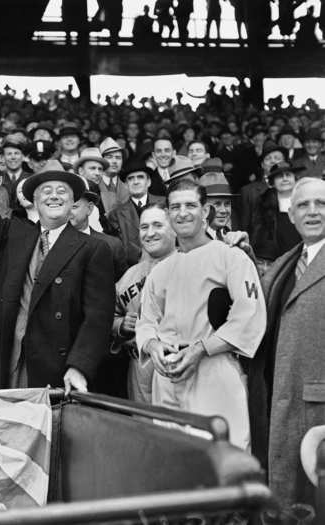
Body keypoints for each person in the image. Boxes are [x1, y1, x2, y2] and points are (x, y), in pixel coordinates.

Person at [0, 124, 115, 394]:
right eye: (45, 191)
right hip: (8, 360)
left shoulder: (93, 249)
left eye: (62, 191)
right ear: (35, 202)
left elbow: (98, 317)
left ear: (74, 201)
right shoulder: (14, 235)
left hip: (58, 369)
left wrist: (79, 366)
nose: (53, 196)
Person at [136, 179, 266, 449]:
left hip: (213, 365)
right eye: (175, 207)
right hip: (168, 371)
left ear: (205, 211)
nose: (182, 213)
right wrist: (153, 345)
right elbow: (146, 320)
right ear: (169, 214)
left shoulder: (231, 257)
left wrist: (201, 350)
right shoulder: (161, 269)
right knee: (174, 459)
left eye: (190, 205)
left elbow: (249, 314)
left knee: (223, 457)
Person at [249, 177, 325, 512]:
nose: (312, 212)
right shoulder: (283, 264)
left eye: (321, 204)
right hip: (281, 400)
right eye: (303, 205)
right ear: (290, 215)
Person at [114, 202, 176, 403]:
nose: (150, 233)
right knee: (143, 430)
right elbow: (109, 315)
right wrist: (121, 325)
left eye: (158, 225)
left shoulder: (193, 263)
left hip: (180, 365)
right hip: (140, 369)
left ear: (174, 228)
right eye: (144, 227)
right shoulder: (130, 276)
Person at [108, 159, 165, 266]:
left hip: (166, 262)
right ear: (125, 185)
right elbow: (120, 249)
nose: (136, 181)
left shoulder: (165, 204)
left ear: (148, 182)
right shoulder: (115, 214)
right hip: (133, 268)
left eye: (140, 177)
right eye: (131, 178)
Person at [251, 161, 304, 273]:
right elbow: (258, 235)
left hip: (301, 258)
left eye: (288, 175)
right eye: (280, 176)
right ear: (273, 182)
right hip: (273, 262)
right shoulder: (263, 204)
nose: (285, 179)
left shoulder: (305, 202)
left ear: (295, 179)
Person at [69, 188, 128, 281]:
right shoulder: (49, 242)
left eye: (74, 207)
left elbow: (123, 284)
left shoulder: (111, 245)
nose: (67, 212)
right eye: (62, 206)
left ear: (90, 208)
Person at [199, 171, 237, 240]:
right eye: (217, 204)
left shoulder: (233, 238)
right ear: (202, 207)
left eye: (227, 204)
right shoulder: (195, 241)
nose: (223, 210)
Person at [99, 138, 131, 213]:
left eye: (118, 158)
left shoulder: (128, 187)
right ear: (101, 161)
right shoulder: (94, 185)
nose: (114, 161)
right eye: (109, 157)